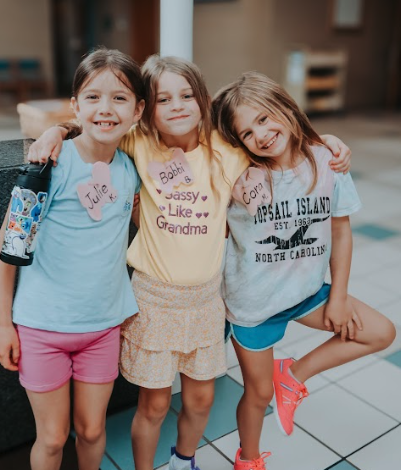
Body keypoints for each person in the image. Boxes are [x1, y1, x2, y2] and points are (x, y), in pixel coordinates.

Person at [27, 55, 351, 470]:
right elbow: (96, 128)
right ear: (146, 110)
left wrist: (327, 143)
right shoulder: (139, 144)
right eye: (164, 99)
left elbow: (273, 142)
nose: (177, 105)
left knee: (201, 399)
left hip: (205, 301)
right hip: (154, 300)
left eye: (186, 95)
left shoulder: (225, 152)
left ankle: (185, 461)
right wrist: (56, 130)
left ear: (202, 101)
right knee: (156, 404)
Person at [212, 71, 396, 470]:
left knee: (381, 332)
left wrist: (340, 297)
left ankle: (293, 375)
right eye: (246, 132)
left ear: (286, 107)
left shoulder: (327, 161)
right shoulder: (236, 175)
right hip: (253, 305)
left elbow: (341, 232)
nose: (260, 135)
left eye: (263, 118)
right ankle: (249, 459)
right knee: (257, 395)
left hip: (307, 293)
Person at [0, 47, 144, 470]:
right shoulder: (47, 166)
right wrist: (3, 323)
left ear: (138, 110)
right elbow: (8, 249)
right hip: (41, 328)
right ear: (75, 104)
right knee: (52, 438)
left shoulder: (130, 169)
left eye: (119, 98)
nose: (105, 108)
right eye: (93, 97)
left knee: (93, 431)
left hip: (102, 327)